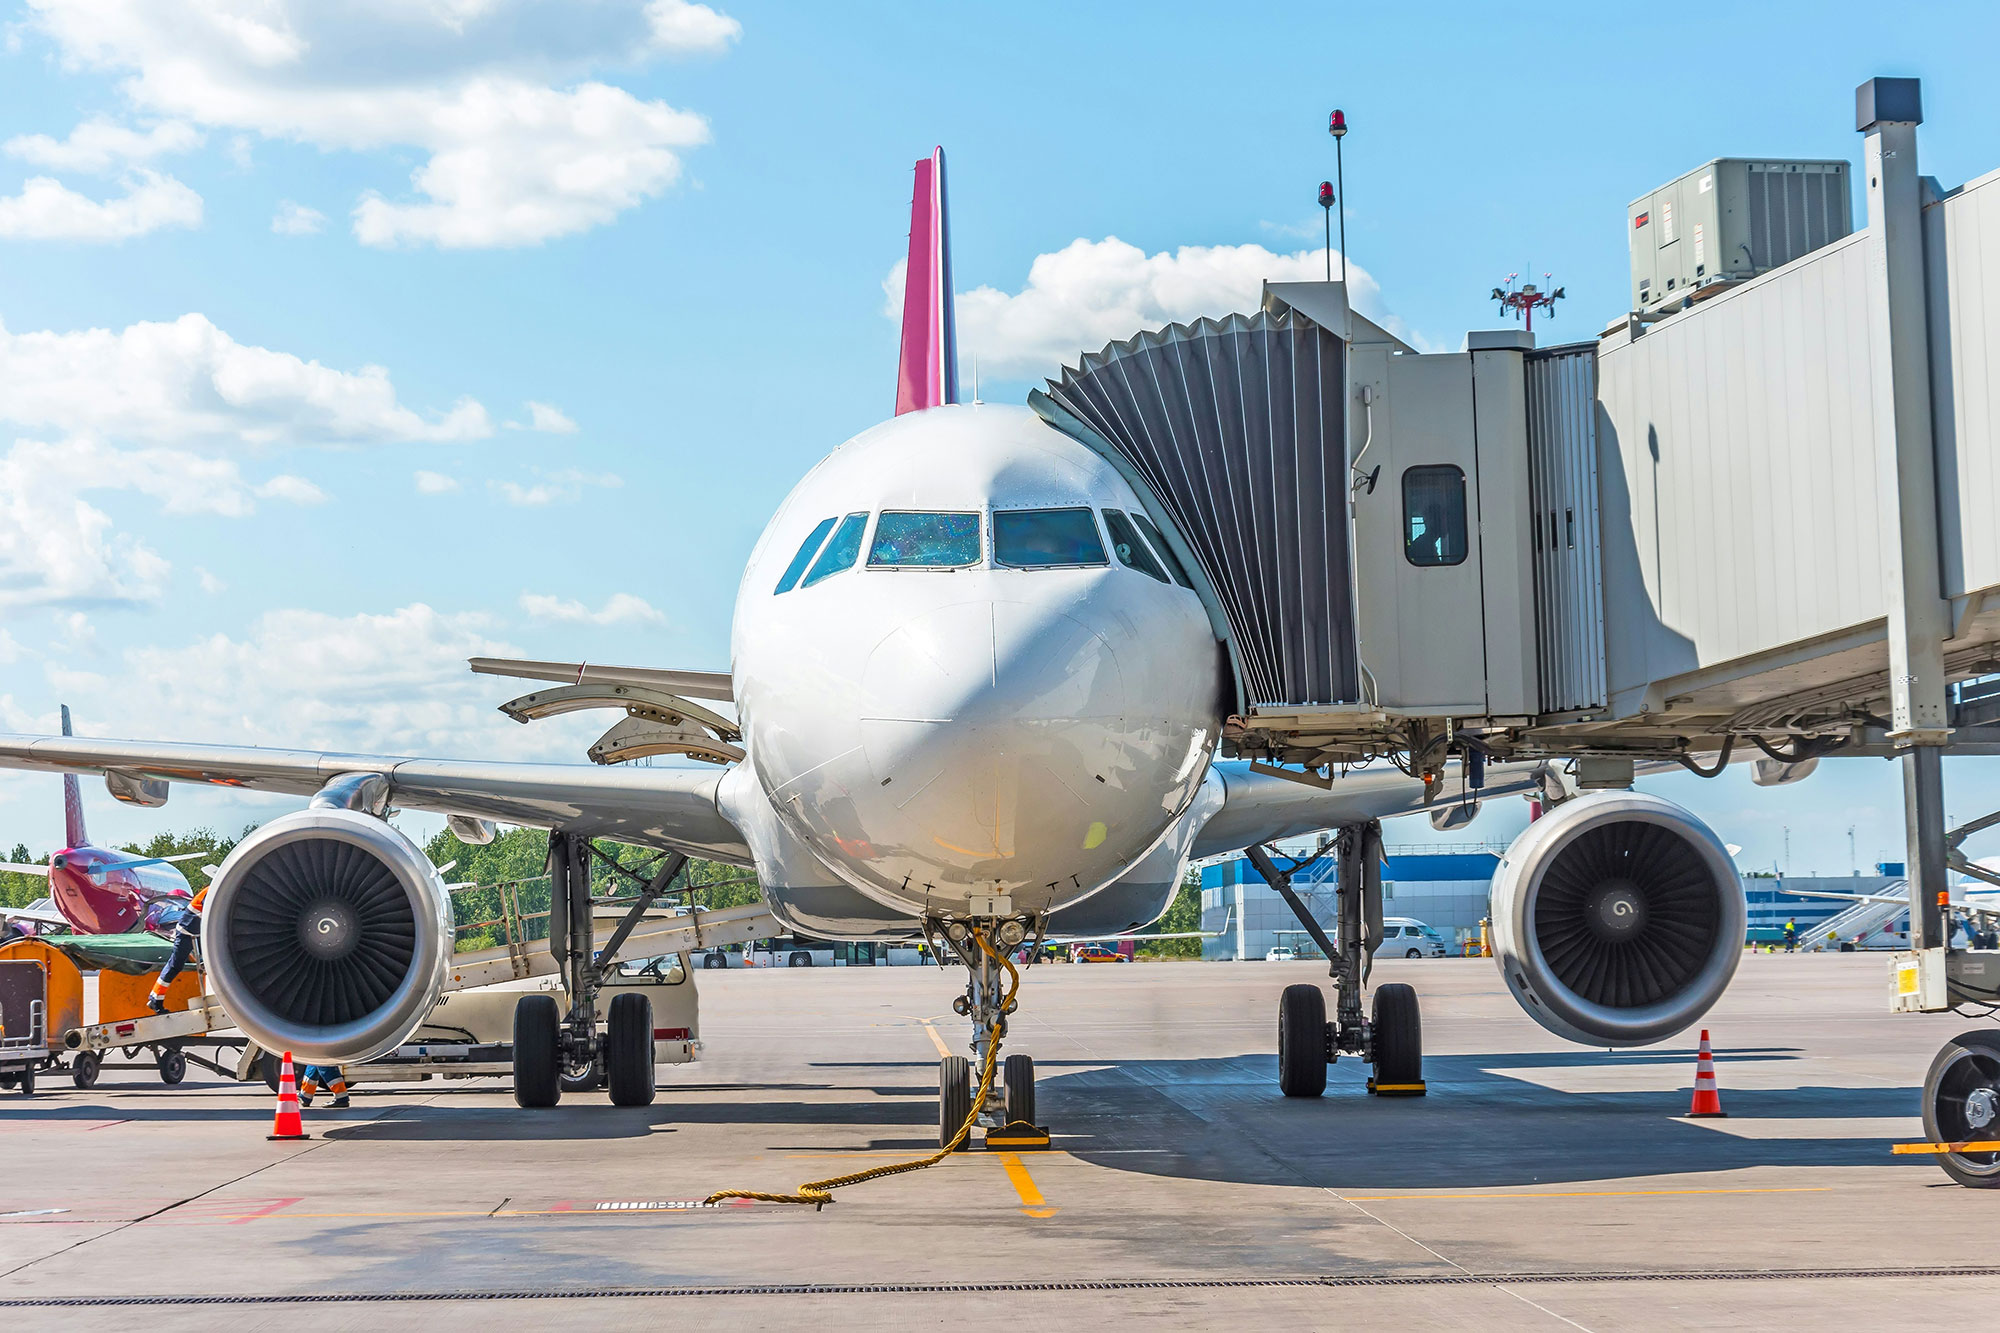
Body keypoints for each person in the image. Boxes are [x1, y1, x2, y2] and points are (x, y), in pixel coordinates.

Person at [146, 886, 206, 1014]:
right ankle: (155, 998)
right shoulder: (212, 893)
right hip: (187, 932)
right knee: (175, 965)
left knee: (209, 963)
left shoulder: (213, 891)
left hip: (197, 932)